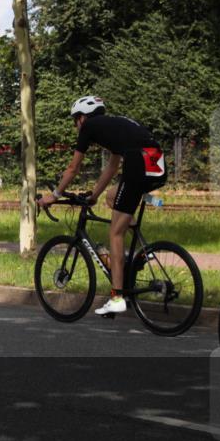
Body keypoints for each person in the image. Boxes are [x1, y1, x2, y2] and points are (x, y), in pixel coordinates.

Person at [37, 96, 166, 316]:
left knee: (115, 233)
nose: (76, 126)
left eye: (74, 121)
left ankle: (117, 297)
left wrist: (55, 195)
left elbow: (73, 168)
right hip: (157, 162)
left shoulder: (89, 127)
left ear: (81, 117)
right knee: (111, 196)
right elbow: (112, 168)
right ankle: (143, 252)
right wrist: (94, 195)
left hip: (138, 162)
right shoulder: (114, 126)